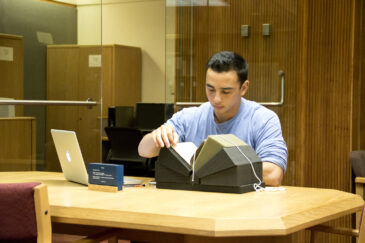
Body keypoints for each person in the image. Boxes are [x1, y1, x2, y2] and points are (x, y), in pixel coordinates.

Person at [138, 51, 287, 186]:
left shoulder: (263, 119)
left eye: (226, 91)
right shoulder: (189, 117)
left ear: (244, 88)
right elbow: (144, 150)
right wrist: (157, 137)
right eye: (210, 89)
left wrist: (212, 171)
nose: (216, 99)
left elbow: (273, 174)